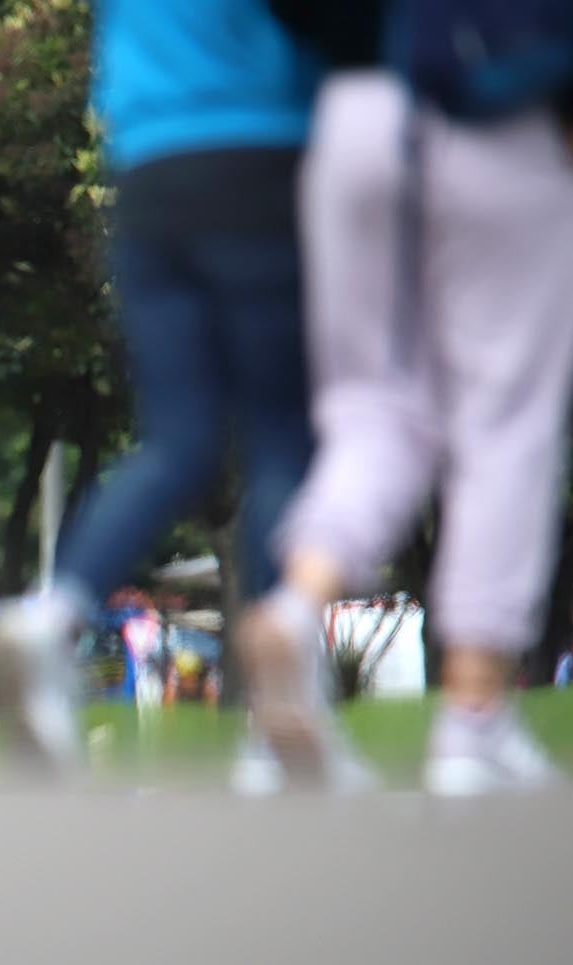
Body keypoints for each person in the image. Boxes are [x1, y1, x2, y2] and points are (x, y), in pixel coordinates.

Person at [0, 0, 332, 783]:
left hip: (143, 169)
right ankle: (278, 710)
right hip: (259, 149)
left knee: (176, 440)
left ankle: (52, 616)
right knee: (282, 440)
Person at [241, 1, 573, 794]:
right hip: (504, 113)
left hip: (357, 114)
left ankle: (297, 602)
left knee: (371, 412)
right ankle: (472, 714)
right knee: (504, 422)